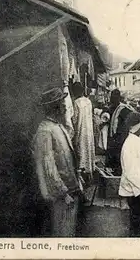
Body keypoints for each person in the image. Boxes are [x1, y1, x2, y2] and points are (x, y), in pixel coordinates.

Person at [31, 87, 82, 237]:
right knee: (62, 234)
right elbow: (48, 167)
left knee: (68, 231)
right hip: (61, 195)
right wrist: (63, 193)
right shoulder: (45, 131)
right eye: (62, 103)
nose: (66, 107)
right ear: (55, 108)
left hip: (69, 190)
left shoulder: (57, 126)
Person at [71, 82, 95, 183]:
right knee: (88, 152)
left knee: (80, 153)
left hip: (80, 131)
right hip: (88, 130)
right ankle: (89, 176)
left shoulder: (76, 103)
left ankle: (82, 179)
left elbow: (75, 119)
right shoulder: (88, 101)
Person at [107, 89, 134, 175]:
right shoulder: (112, 108)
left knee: (120, 154)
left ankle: (120, 171)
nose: (113, 99)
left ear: (118, 98)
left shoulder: (124, 109)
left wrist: (120, 134)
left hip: (121, 135)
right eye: (112, 97)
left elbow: (127, 123)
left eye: (115, 97)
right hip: (113, 136)